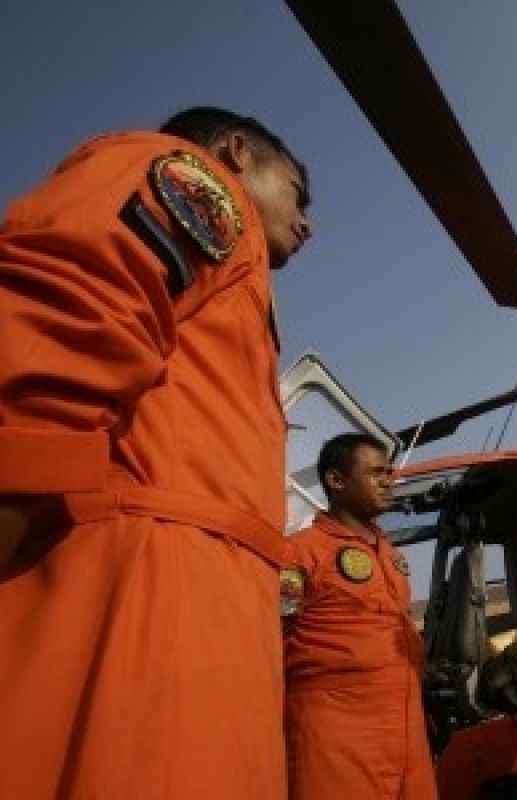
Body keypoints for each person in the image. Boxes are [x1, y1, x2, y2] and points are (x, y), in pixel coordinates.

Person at [0, 107, 311, 798]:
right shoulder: (198, 186)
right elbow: (58, 329)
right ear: (235, 154)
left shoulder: (243, 275)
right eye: (296, 191)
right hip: (155, 595)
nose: (308, 220)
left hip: (218, 608)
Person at [283, 433, 437, 799]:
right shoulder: (299, 554)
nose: (389, 481)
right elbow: (270, 637)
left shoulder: (389, 554)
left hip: (404, 719)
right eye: (376, 473)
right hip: (336, 729)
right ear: (336, 481)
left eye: (389, 472)